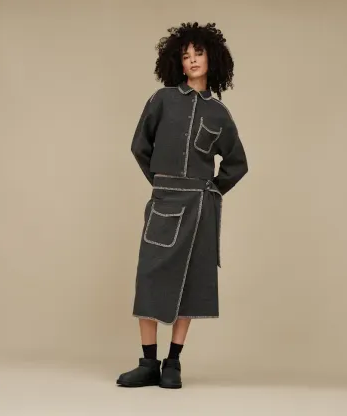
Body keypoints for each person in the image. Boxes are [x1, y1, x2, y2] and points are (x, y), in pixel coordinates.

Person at [117, 22, 248, 389]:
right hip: (164, 203)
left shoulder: (219, 113)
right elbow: (140, 146)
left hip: (199, 208)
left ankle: (173, 363)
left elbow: (237, 164)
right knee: (149, 279)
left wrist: (211, 191)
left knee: (189, 284)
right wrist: (161, 185)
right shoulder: (162, 100)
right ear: (176, 61)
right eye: (186, 55)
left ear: (212, 59)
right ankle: (148, 363)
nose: (192, 60)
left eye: (199, 53)